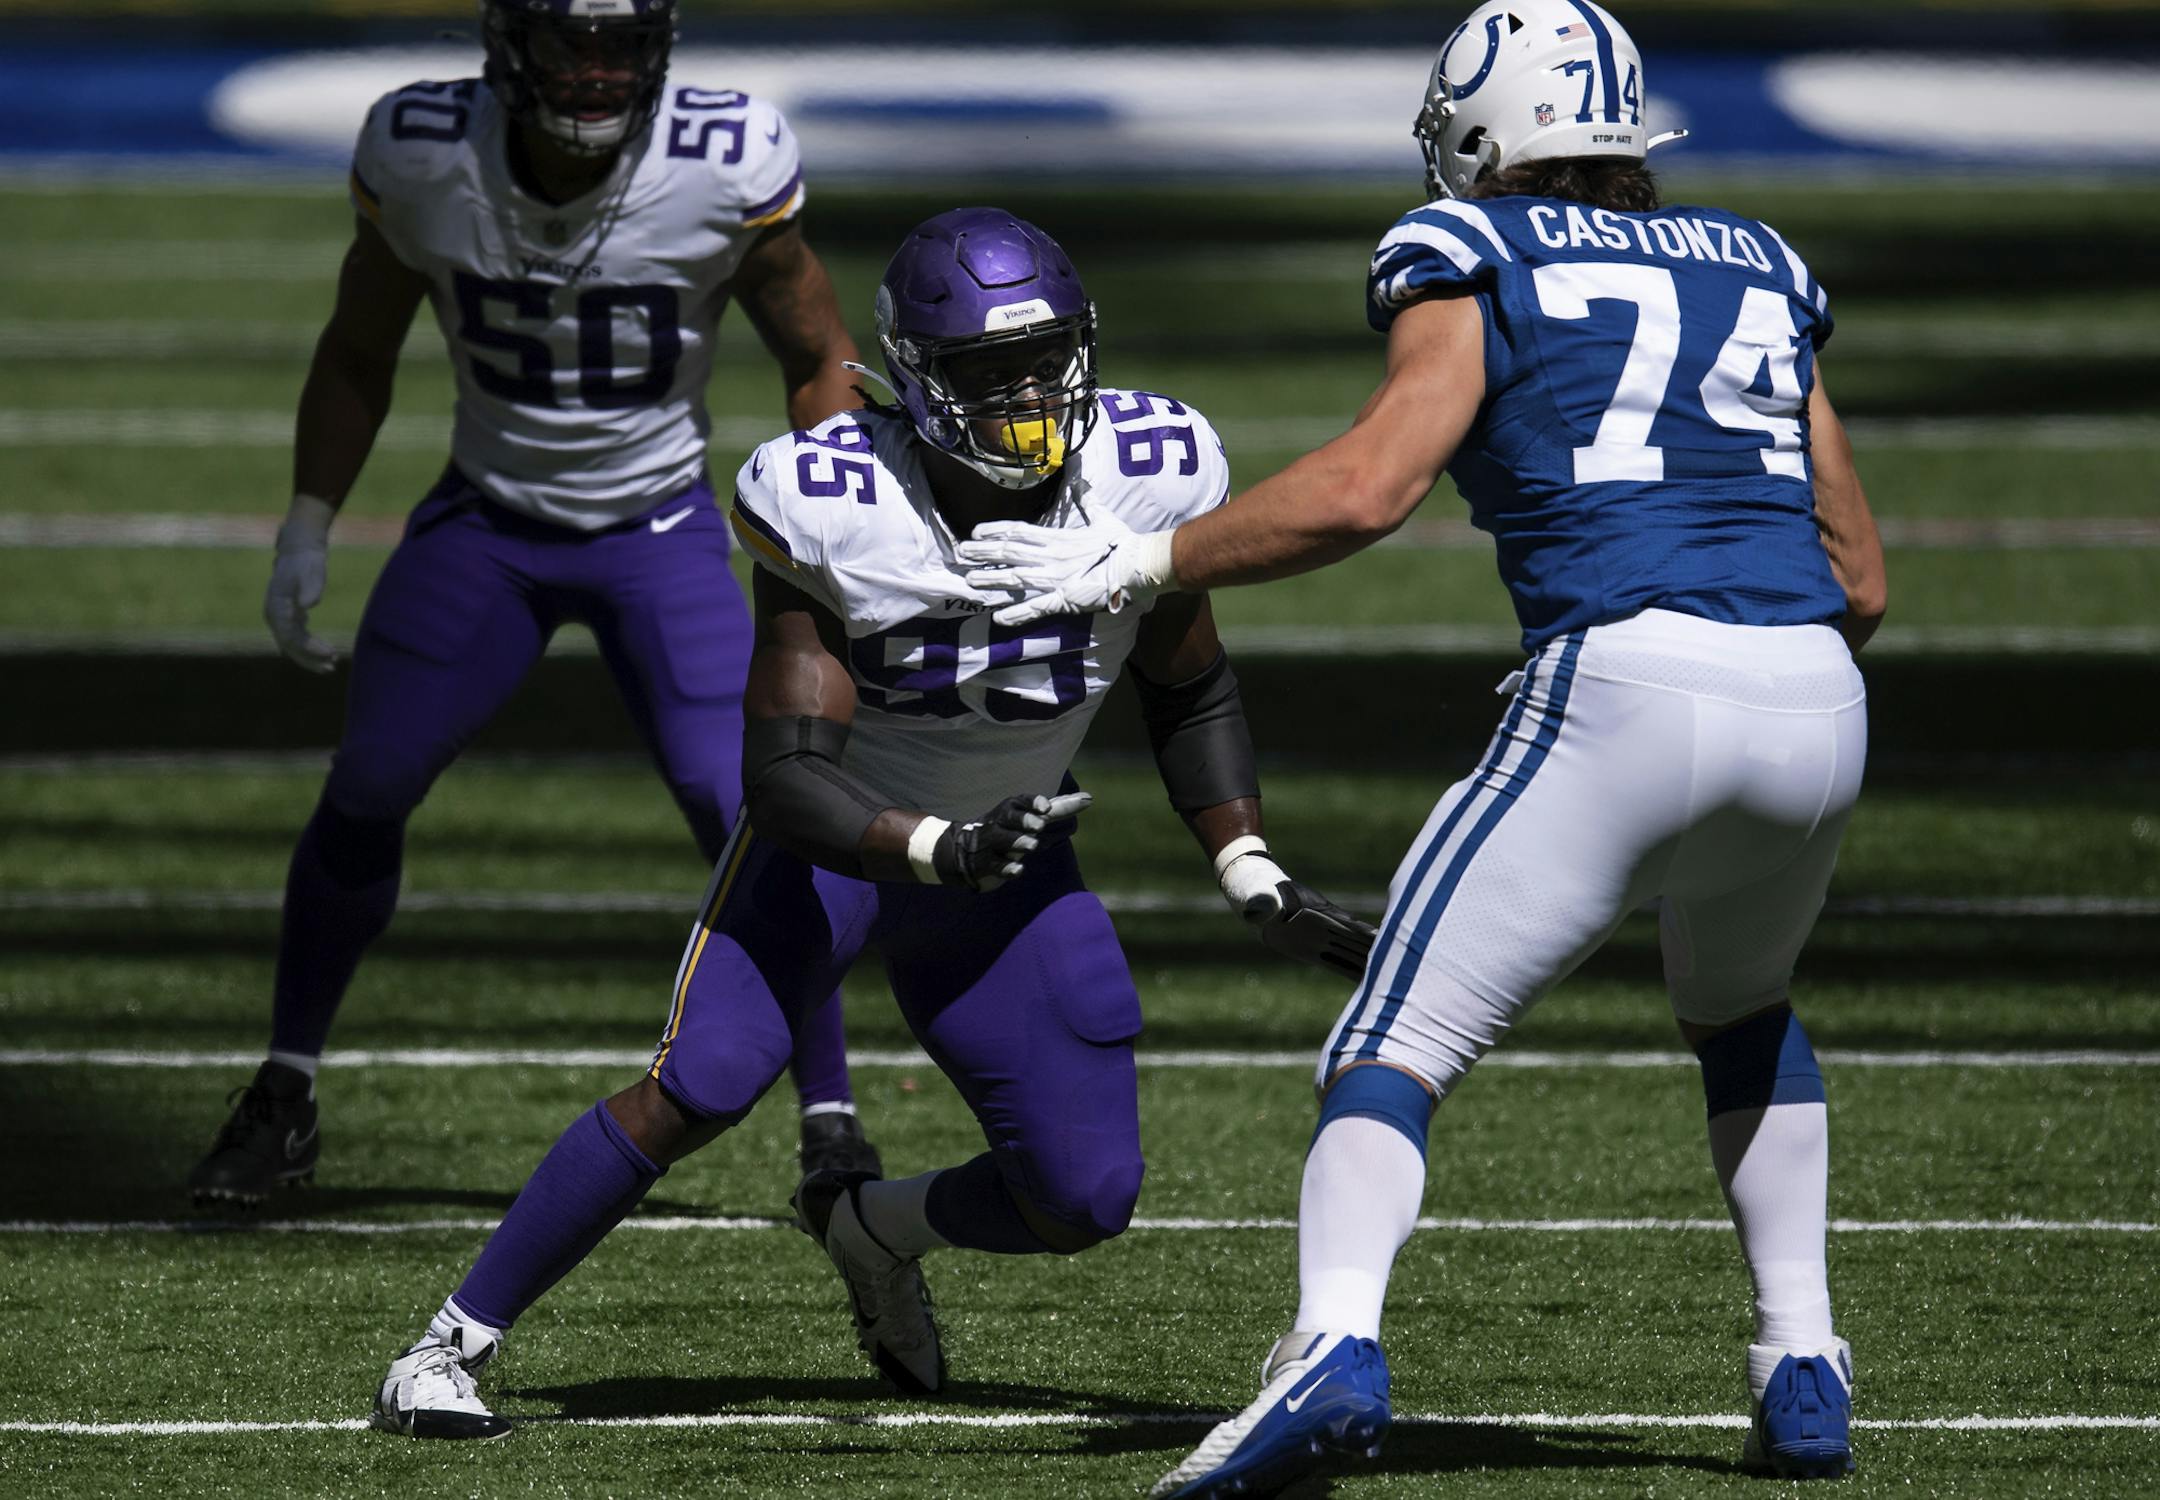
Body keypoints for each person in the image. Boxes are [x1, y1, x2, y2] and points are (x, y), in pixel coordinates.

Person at [958, 2, 1889, 1489]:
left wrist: (1141, 563)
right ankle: (1801, 1364)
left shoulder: (1472, 249)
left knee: (1388, 1045)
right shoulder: (1765, 264)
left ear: (1479, 130)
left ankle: (1331, 1347)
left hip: (1625, 678)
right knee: (1744, 1007)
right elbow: (1862, 577)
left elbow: (1371, 487)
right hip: (1817, 708)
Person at [366, 206, 1376, 1439]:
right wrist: (933, 847)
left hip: (1008, 851)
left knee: (1085, 1196)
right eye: (985, 373)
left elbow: (1189, 676)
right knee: (703, 1079)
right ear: (915, 378)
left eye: (1044, 360)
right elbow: (786, 773)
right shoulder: (838, 503)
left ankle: (869, 1227)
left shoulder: (1156, 464)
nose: (1025, 399)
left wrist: (1247, 862)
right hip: (847, 841)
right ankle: (446, 1347)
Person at [185, 0, 885, 1210]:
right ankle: (285, 1089)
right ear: (513, 45)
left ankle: (830, 1113)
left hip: (659, 530)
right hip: (487, 524)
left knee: (768, 806)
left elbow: (820, 351)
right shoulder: (420, 150)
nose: (602, 69)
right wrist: (309, 516)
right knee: (367, 787)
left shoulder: (721, 162)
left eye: (625, 42)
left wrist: (840, 523)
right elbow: (358, 346)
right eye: (575, 41)